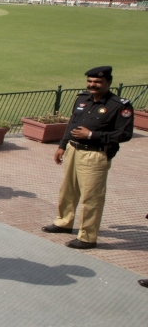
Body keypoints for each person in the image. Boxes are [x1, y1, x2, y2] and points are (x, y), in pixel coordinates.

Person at [42, 66, 134, 249]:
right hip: (73, 149)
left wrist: (91, 135)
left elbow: (124, 134)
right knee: (68, 190)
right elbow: (72, 123)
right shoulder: (82, 98)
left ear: (108, 82)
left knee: (91, 197)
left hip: (95, 154)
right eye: (90, 81)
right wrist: (62, 145)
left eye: (98, 82)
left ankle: (87, 237)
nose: (93, 85)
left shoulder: (119, 105)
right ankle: (64, 222)